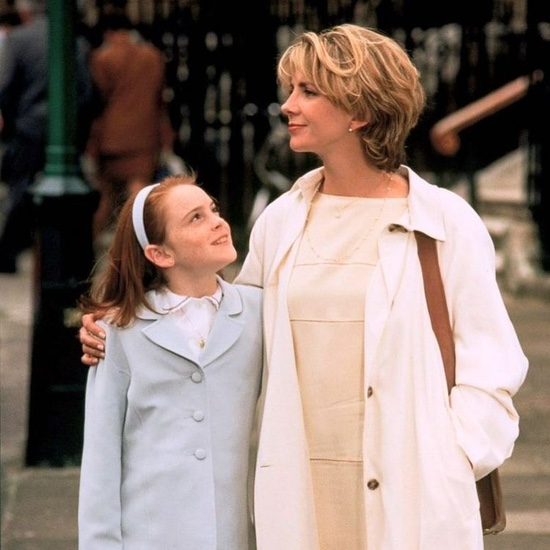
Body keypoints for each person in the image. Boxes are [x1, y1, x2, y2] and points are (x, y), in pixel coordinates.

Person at [80, 24, 529, 549]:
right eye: (290, 89)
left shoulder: (445, 223)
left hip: (412, 498)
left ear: (359, 110)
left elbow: (491, 367)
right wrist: (123, 325)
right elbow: (226, 328)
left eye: (308, 91)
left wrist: (452, 458)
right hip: (303, 499)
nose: (288, 105)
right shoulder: (281, 221)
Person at [77, 173, 262, 549]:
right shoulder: (119, 331)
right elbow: (101, 455)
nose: (217, 221)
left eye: (213, 209)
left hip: (232, 535)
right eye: (196, 218)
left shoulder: (259, 313)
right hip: (147, 536)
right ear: (160, 254)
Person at [0, 0, 93, 273]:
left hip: (28, 127)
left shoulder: (19, 39)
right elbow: (86, 92)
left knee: (20, 189)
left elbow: (5, 86)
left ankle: (10, 251)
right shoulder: (77, 41)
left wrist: (12, 122)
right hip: (65, 130)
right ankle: (63, 255)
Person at [85, 12, 175, 248]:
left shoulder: (102, 58)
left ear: (109, 33)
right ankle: (139, 246)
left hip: (110, 136)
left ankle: (87, 246)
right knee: (138, 193)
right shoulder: (152, 56)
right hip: (145, 135)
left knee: (105, 197)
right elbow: (160, 99)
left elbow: (96, 99)